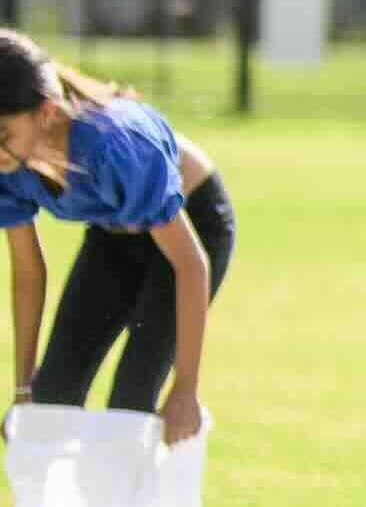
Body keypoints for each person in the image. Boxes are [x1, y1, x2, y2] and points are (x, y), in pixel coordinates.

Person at [0, 31, 235, 443]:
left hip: (190, 221)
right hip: (118, 228)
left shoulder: (114, 147)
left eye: (2, 135)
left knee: (131, 402)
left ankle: (138, 504)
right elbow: (26, 271)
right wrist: (23, 391)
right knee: (51, 399)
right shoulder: (10, 165)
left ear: (47, 113)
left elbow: (190, 262)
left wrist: (185, 390)